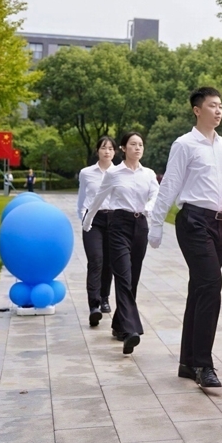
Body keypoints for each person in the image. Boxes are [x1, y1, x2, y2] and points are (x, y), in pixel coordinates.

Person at [148, 87, 222, 389]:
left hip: (220, 223)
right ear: (197, 110)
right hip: (194, 221)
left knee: (199, 289)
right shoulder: (184, 144)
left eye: (221, 106)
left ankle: (188, 361)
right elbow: (170, 184)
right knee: (210, 285)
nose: (218, 111)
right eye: (212, 106)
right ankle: (204, 365)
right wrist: (156, 222)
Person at [83, 132, 159, 356]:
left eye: (141, 144)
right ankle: (130, 330)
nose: (138, 148)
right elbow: (98, 198)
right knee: (123, 277)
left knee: (132, 279)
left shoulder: (148, 174)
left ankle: (118, 324)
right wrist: (87, 221)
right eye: (133, 144)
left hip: (140, 226)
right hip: (119, 226)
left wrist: (150, 207)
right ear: (124, 148)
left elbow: (156, 194)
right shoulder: (114, 173)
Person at [77, 136, 116, 327]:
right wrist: (84, 217)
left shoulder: (119, 172)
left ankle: (104, 297)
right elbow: (82, 198)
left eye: (110, 148)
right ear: (97, 150)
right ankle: (94, 305)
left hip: (114, 220)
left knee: (109, 262)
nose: (106, 151)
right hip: (93, 220)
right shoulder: (86, 173)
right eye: (103, 148)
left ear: (115, 152)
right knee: (95, 260)